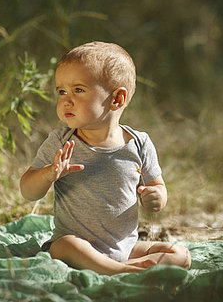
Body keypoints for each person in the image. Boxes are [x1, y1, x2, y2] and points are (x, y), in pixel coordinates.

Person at [20, 41, 191, 275]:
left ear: (117, 99)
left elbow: (157, 187)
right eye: (61, 91)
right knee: (64, 246)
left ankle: (121, 266)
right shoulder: (61, 141)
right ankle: (119, 271)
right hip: (77, 247)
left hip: (125, 247)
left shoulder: (139, 144)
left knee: (180, 254)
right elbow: (29, 191)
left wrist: (156, 198)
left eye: (78, 90)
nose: (66, 100)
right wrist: (48, 174)